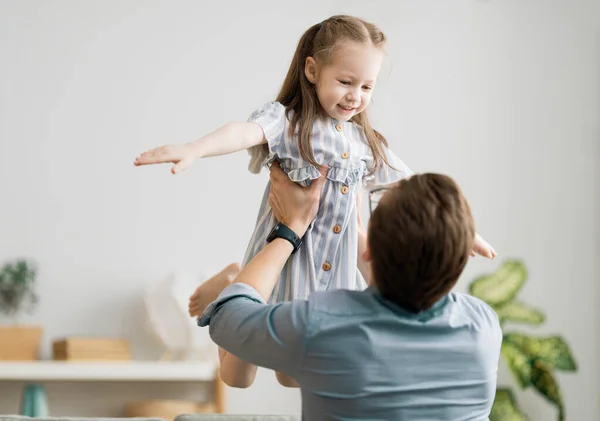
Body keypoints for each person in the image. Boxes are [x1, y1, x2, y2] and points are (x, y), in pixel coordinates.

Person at [134, 14, 496, 388]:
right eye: (345, 82)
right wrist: (196, 148)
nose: (356, 96)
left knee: (294, 379)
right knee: (236, 377)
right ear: (312, 70)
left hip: (332, 270)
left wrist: (464, 232)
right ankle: (233, 284)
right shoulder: (289, 123)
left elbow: (413, 187)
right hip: (283, 257)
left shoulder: (365, 143)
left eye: (367, 87)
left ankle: (233, 283)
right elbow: (242, 133)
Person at [195, 164, 502, 420]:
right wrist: (353, 230)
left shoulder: (325, 324)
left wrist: (293, 229)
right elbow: (407, 291)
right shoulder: (482, 327)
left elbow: (227, 313)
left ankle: (238, 274)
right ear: (461, 262)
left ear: (369, 254)